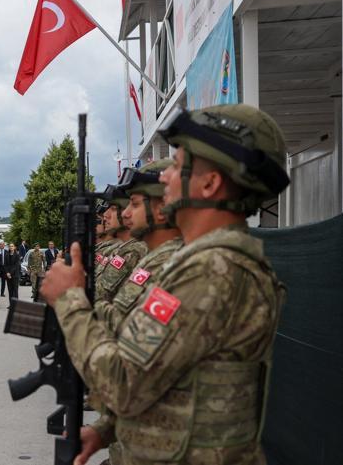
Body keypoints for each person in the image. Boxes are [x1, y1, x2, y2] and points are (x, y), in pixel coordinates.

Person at [40, 104, 290, 465]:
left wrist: (69, 299)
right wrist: (107, 428)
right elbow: (171, 375)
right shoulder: (202, 263)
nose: (166, 177)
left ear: (209, 183)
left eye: (177, 165)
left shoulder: (212, 271)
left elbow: (123, 383)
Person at [94, 159, 183, 333]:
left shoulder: (171, 262)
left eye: (134, 204)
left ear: (162, 209)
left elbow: (125, 331)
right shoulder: (155, 256)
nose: (126, 213)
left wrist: (72, 296)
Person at [94, 183, 148, 304]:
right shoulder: (122, 248)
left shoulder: (133, 250)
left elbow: (101, 294)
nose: (105, 216)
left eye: (113, 209)